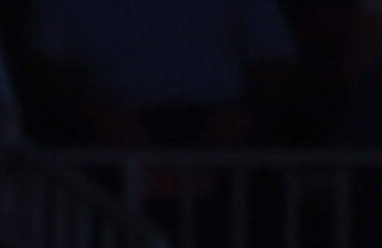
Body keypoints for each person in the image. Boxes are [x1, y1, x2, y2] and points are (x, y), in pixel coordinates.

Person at [30, 0, 295, 145]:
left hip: (220, 135)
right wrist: (96, 116)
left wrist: (245, 113)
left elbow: (275, 60)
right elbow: (46, 64)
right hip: (111, 136)